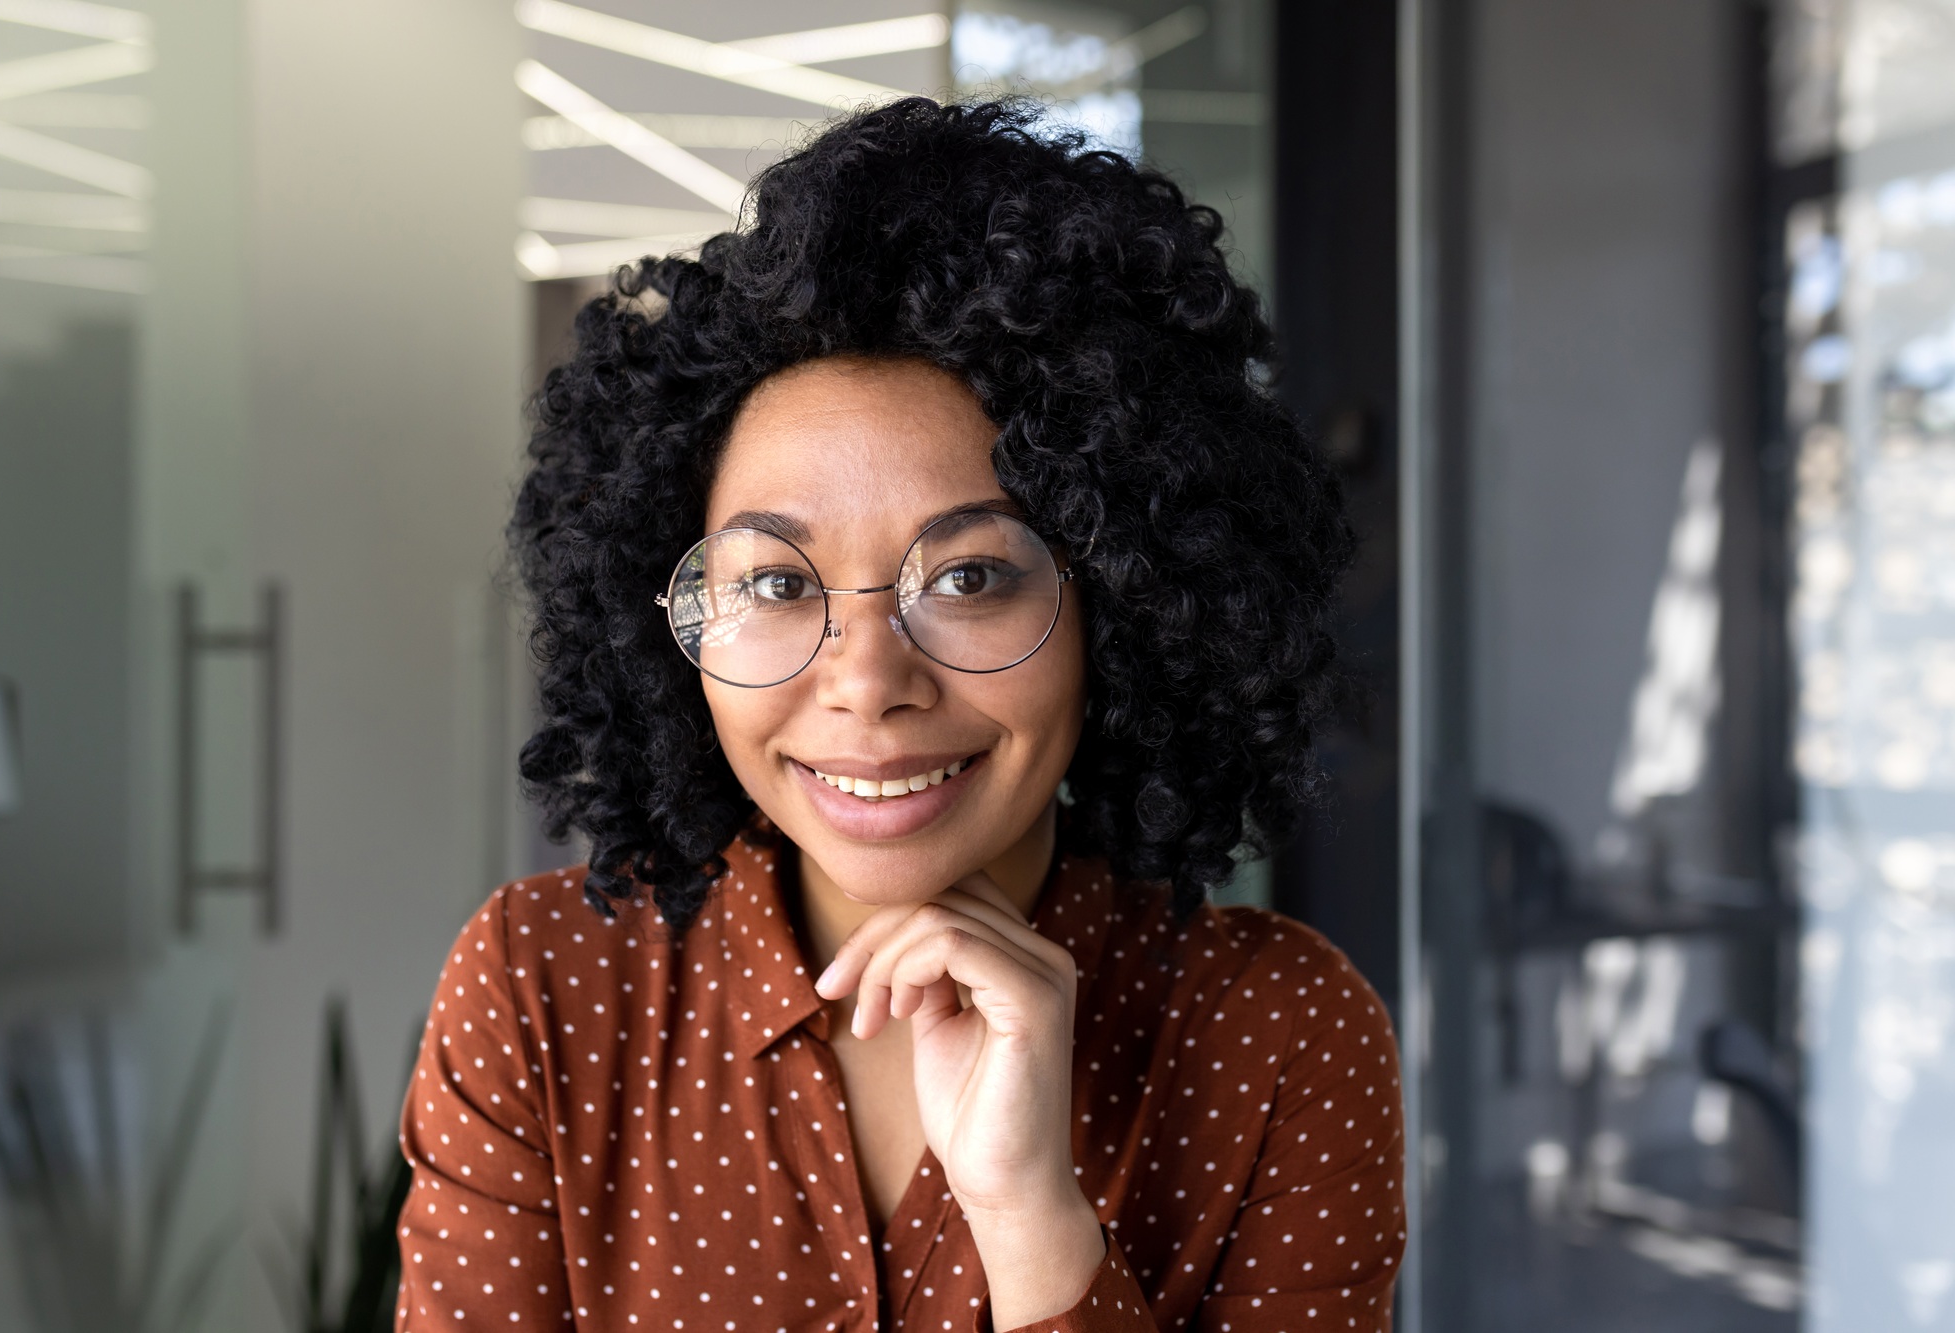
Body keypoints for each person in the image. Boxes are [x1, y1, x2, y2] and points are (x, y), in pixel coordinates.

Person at [396, 98, 1403, 1333]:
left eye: (969, 576)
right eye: (774, 582)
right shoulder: (545, 991)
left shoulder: (1276, 1033)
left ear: (1126, 607)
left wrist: (1031, 1215)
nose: (867, 679)